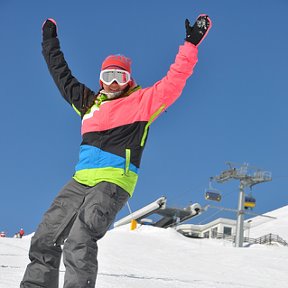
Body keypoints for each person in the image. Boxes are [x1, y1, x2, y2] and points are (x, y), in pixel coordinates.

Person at [20, 14, 212, 288]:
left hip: (113, 181)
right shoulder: (89, 103)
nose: (112, 83)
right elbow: (60, 73)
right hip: (81, 180)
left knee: (79, 239)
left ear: (128, 79)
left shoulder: (143, 101)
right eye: (107, 76)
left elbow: (175, 79)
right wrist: (49, 40)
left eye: (118, 76)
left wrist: (190, 44)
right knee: (45, 237)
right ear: (100, 79)